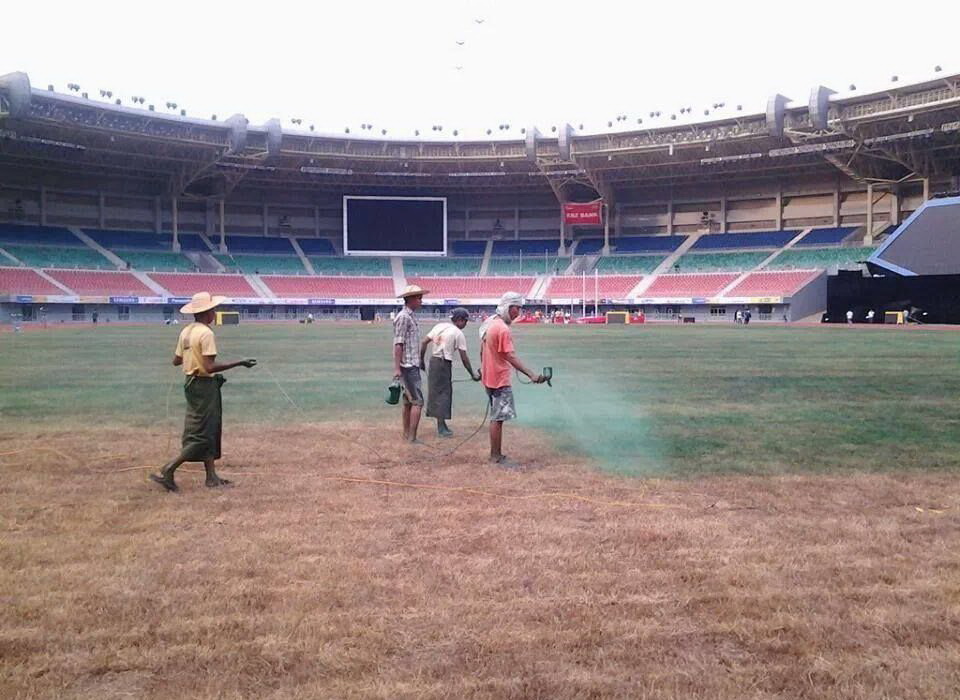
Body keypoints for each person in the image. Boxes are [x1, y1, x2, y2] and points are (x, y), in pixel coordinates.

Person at [151, 292, 257, 492]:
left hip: (191, 384)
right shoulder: (206, 334)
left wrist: (192, 357)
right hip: (204, 386)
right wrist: (240, 363)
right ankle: (169, 468)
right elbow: (209, 367)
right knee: (202, 434)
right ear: (206, 312)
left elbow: (176, 360)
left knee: (208, 429)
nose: (214, 313)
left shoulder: (186, 331)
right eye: (213, 310)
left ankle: (211, 477)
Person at [479, 292, 546, 468]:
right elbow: (510, 356)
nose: (518, 313)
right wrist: (531, 374)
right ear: (509, 307)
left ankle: (496, 454)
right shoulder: (502, 329)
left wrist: (484, 369)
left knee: (496, 416)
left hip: (489, 376)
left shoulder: (491, 324)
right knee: (498, 418)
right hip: (499, 378)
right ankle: (496, 456)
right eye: (517, 308)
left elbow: (482, 349)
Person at [420, 307, 480, 437]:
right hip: (443, 363)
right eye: (465, 321)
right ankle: (441, 428)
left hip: (433, 362)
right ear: (459, 320)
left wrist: (421, 360)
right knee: (444, 394)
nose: (465, 323)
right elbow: (464, 357)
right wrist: (473, 374)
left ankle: (441, 424)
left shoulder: (440, 326)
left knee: (436, 393)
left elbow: (424, 342)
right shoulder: (458, 333)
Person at [393, 284, 429, 443]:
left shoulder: (411, 316)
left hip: (411, 363)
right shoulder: (403, 317)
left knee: (408, 401)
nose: (421, 301)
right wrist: (397, 368)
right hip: (408, 366)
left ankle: (407, 434)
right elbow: (398, 343)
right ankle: (412, 437)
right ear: (411, 299)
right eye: (419, 298)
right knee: (417, 402)